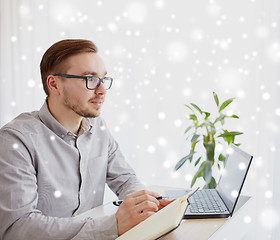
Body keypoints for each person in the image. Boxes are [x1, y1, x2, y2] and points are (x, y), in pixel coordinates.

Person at [0, 39, 171, 239]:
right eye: (89, 79)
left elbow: (125, 179)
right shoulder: (15, 141)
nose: (102, 91)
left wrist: (146, 205)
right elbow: (18, 228)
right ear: (54, 84)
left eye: (103, 79)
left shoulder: (98, 128)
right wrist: (113, 225)